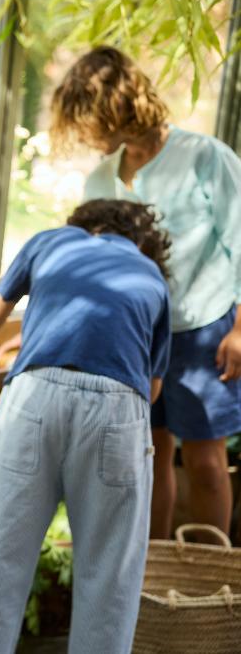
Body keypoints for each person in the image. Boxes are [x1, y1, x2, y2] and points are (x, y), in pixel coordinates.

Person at [0, 199, 172, 653]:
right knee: (109, 577)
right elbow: (153, 388)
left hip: (34, 396)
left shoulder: (51, 241)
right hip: (119, 408)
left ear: (85, 224)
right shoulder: (151, 276)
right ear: (141, 243)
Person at [51, 46, 241, 542]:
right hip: (133, 340)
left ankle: (209, 574)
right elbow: (89, 267)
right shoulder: (101, 177)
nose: (86, 135)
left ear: (114, 107)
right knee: (149, 458)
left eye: (87, 120)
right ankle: (153, 570)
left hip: (204, 332)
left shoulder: (206, 158)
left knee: (203, 460)